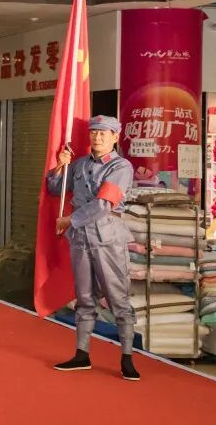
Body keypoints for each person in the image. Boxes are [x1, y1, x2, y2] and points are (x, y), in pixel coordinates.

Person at [47, 115, 140, 381]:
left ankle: (127, 358)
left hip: (107, 236)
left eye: (103, 133)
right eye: (94, 132)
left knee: (117, 297)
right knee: (84, 297)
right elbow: (55, 189)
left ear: (115, 137)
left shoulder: (121, 167)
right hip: (80, 238)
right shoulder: (79, 164)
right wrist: (60, 166)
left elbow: (104, 204)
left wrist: (69, 220)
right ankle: (82, 354)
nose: (97, 137)